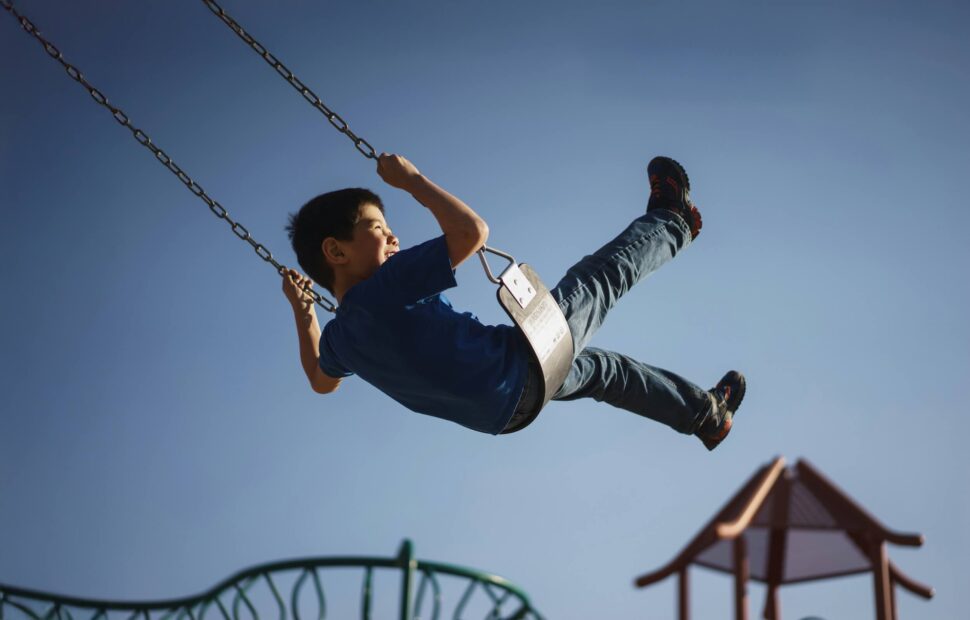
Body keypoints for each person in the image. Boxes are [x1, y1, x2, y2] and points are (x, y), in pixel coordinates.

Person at [282, 153, 745, 450]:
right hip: (517, 367)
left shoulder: (341, 337)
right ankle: (673, 221)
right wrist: (413, 181)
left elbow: (321, 381)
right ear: (336, 251)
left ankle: (705, 415)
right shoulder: (384, 289)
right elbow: (471, 233)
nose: (392, 235)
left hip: (503, 413)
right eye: (377, 228)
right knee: (597, 281)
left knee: (607, 373)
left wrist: (304, 315)